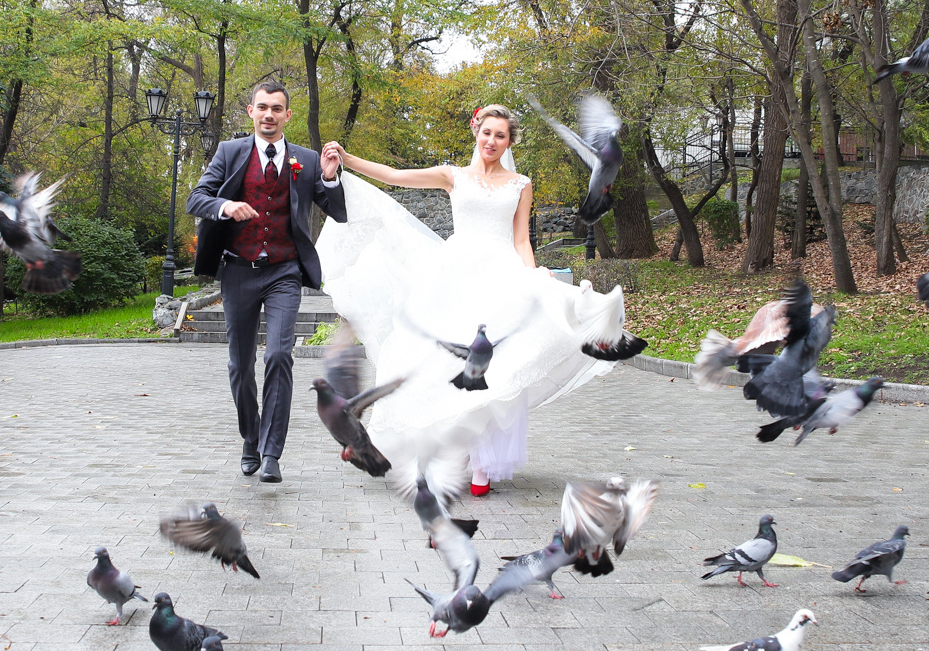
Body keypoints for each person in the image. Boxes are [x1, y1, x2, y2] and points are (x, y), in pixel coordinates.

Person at [317, 103, 642, 495]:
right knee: (441, 364)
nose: (492, 141)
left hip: (501, 277)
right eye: (487, 132)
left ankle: (480, 465)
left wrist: (530, 277)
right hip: (453, 277)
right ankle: (450, 455)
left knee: (496, 368)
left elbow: (521, 238)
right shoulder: (453, 176)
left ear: (509, 141)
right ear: (477, 132)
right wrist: (348, 158)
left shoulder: (521, 183)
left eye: (500, 135)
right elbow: (395, 176)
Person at [186, 81, 347, 483]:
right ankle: (250, 438)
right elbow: (196, 198)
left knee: (278, 355)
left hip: (284, 271)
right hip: (238, 270)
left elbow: (338, 212)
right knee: (241, 365)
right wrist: (225, 205)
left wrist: (328, 179)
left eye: (277, 108)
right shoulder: (230, 152)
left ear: (288, 115)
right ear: (251, 111)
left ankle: (271, 452)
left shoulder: (307, 161)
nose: (269, 115)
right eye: (262, 107)